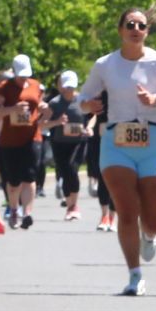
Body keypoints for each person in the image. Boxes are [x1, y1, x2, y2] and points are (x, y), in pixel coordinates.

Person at [77, 10, 156, 296]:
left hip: (153, 141)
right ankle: (135, 275)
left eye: (141, 25)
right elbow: (82, 99)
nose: (136, 29)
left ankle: (149, 234)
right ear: (120, 29)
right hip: (117, 142)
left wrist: (155, 100)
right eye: (130, 25)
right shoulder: (105, 64)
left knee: (153, 220)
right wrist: (89, 106)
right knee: (126, 211)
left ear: (148, 31)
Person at [0, 55, 44, 229]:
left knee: (30, 176)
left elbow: (39, 104)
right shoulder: (4, 88)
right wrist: (13, 109)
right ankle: (13, 209)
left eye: (26, 75)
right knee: (13, 181)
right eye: (20, 75)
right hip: (10, 140)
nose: (23, 78)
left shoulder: (35, 85)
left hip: (32, 137)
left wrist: (43, 107)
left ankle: (27, 213)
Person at [42, 70, 90, 221]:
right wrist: (57, 122)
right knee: (64, 171)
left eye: (71, 87)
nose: (69, 90)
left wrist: (89, 128)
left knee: (72, 169)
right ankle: (70, 205)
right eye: (66, 87)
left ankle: (74, 205)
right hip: (60, 143)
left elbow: (93, 116)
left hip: (78, 141)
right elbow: (41, 125)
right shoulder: (55, 103)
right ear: (62, 86)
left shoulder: (83, 100)